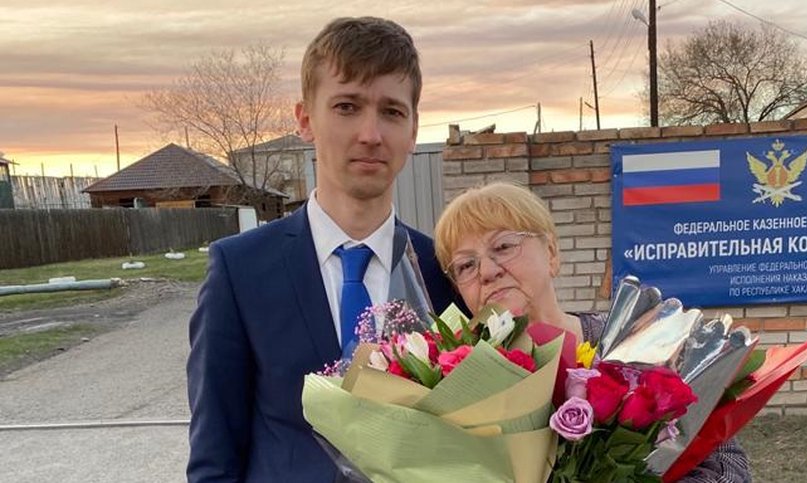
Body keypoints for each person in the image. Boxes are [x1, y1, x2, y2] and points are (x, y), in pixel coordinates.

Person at [186, 17, 461, 482]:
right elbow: (215, 454)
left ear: (413, 131)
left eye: (392, 112)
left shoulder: (442, 271)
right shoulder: (241, 270)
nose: (371, 134)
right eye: (348, 106)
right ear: (305, 120)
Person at [434, 181, 752, 483]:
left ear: (552, 254)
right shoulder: (454, 378)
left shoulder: (635, 339)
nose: (487, 272)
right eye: (465, 266)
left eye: (503, 246)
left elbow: (727, 466)